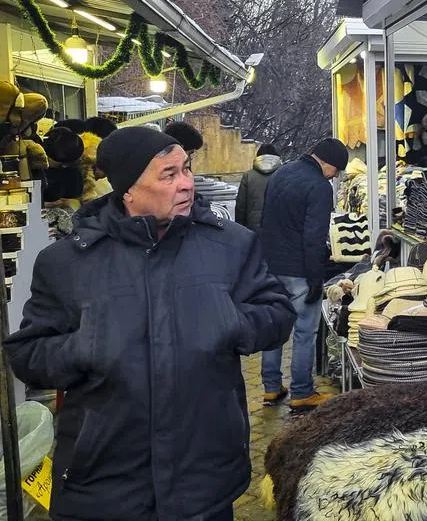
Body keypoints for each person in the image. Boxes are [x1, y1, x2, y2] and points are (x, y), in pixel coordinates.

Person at [4, 126, 296, 521]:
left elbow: (277, 312)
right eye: (169, 175)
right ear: (128, 189)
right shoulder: (66, 263)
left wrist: (233, 322)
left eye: (187, 169)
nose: (187, 184)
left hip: (203, 475)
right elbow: (28, 353)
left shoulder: (231, 245)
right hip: (105, 481)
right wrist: (86, 344)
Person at [259, 137, 348, 411]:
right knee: (304, 332)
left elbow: (266, 219)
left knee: (274, 327)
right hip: (299, 268)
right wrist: (314, 277)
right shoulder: (319, 187)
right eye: (336, 171)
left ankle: (272, 388)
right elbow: (314, 237)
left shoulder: (282, 173)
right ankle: (301, 391)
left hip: (271, 264)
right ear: (329, 164)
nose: (335, 177)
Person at [235, 143, 282, 231]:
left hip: (253, 227)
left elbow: (241, 206)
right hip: (279, 226)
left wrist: (239, 227)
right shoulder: (285, 175)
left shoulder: (248, 176)